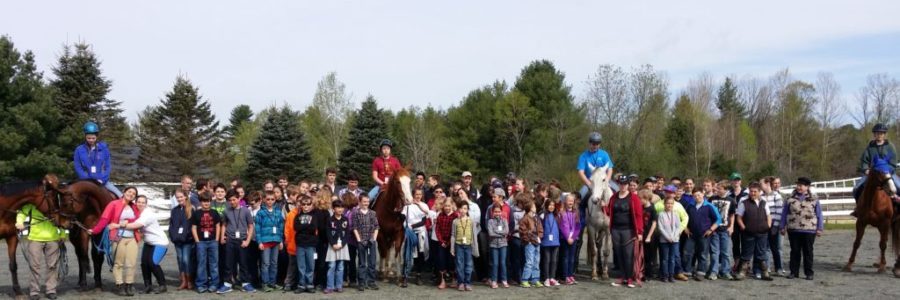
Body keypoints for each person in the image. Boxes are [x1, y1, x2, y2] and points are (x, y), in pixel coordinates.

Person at [89, 186, 141, 296]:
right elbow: (104, 219)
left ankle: (129, 285)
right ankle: (119, 285)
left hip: (132, 238)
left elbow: (137, 220)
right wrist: (94, 230)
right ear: (124, 192)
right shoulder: (113, 204)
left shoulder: (134, 207)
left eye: (133, 194)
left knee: (131, 263)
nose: (131, 194)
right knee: (118, 263)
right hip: (118, 238)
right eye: (129, 192)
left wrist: (122, 223)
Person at [115, 195, 168, 294]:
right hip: (148, 242)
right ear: (136, 202)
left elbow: (136, 225)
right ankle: (148, 286)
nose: (140, 204)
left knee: (153, 263)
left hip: (160, 242)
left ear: (146, 204)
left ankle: (162, 285)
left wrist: (117, 225)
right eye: (139, 202)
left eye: (143, 202)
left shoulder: (147, 214)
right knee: (144, 264)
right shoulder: (137, 213)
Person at [17, 202, 68, 300]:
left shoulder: (54, 205)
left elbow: (60, 220)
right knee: (34, 266)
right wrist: (19, 222)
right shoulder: (32, 205)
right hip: (35, 239)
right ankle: (34, 292)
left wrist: (62, 234)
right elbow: (22, 213)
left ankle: (51, 290)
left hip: (53, 239)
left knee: (52, 266)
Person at [780, 177, 823, 280]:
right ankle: (793, 272)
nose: (798, 187)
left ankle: (809, 273)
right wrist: (782, 226)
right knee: (794, 251)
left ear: (807, 187)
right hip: (793, 229)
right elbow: (784, 213)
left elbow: (819, 214)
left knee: (808, 251)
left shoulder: (814, 199)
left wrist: (820, 228)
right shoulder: (789, 198)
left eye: (801, 185)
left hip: (809, 229)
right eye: (798, 185)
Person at [606, 175, 644, 288]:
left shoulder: (634, 198)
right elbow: (609, 211)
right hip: (615, 229)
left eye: (625, 184)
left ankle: (630, 278)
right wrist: (604, 207)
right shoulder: (613, 197)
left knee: (628, 255)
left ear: (628, 185)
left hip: (629, 230)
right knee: (619, 254)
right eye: (621, 183)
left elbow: (638, 215)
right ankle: (622, 277)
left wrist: (640, 232)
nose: (623, 186)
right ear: (618, 184)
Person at [853, 123, 900, 212]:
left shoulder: (890, 146)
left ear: (884, 134)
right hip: (873, 173)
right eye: (877, 133)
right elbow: (864, 160)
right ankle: (858, 209)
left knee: (899, 186)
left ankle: (898, 209)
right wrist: (865, 169)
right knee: (856, 188)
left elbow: (893, 163)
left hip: (888, 173)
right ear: (874, 134)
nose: (879, 135)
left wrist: (885, 170)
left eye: (881, 133)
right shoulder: (870, 147)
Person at [218, 189, 256, 294]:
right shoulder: (226, 211)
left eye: (234, 199)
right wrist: (222, 237)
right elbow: (224, 225)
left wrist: (248, 240)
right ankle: (227, 284)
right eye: (230, 200)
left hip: (242, 240)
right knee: (228, 263)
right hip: (230, 240)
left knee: (243, 263)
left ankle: (245, 283)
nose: (232, 202)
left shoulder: (246, 211)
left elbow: (251, 226)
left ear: (239, 198)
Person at [735, 182, 773, 281]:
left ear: (759, 192)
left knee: (761, 253)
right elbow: (739, 217)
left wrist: (768, 225)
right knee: (746, 253)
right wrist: (743, 227)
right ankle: (742, 273)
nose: (752, 193)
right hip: (748, 233)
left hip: (762, 233)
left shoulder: (764, 202)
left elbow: (769, 215)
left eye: (755, 191)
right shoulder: (744, 203)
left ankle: (765, 273)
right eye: (751, 191)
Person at [73, 121, 123, 198]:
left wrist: (102, 179)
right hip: (85, 181)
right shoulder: (79, 150)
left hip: (102, 181)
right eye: (88, 138)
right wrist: (87, 179)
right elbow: (78, 167)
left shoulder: (104, 149)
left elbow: (108, 167)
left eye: (93, 138)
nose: (91, 140)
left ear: (97, 137)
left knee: (121, 197)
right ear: (85, 137)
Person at [683, 188, 720, 281]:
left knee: (703, 254)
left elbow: (718, 220)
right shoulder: (690, 206)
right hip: (691, 234)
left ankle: (701, 272)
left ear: (703, 194)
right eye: (695, 196)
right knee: (687, 252)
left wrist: (711, 229)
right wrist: (685, 228)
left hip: (704, 235)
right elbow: (683, 217)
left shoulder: (709, 206)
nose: (697, 197)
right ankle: (687, 270)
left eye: (699, 195)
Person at [401, 189, 433, 287]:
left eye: (420, 194)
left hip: (420, 232)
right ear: (413, 195)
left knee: (420, 254)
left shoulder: (424, 205)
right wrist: (407, 227)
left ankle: (418, 275)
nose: (418, 196)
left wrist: (413, 226)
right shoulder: (407, 206)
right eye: (416, 194)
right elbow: (402, 217)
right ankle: (405, 276)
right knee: (407, 253)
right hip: (409, 232)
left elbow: (423, 221)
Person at [255, 191, 284, 292]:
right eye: (268, 199)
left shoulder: (278, 212)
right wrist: (259, 242)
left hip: (275, 241)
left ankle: (272, 282)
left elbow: (281, 227)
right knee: (265, 264)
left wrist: (280, 241)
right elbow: (257, 229)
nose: (270, 201)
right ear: (263, 200)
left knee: (274, 263)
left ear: (275, 200)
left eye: (272, 199)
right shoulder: (260, 213)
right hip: (265, 242)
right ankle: (265, 283)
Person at [708, 181, 736, 280]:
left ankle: (725, 271)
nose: (717, 190)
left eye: (720, 188)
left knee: (726, 252)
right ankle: (714, 271)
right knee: (715, 252)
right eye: (717, 188)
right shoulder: (712, 199)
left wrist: (731, 226)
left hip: (725, 229)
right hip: (714, 230)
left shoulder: (731, 200)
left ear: (725, 189)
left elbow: (732, 215)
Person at [292, 196, 320, 294]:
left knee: (310, 265)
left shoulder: (314, 216)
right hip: (300, 244)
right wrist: (306, 226)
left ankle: (310, 284)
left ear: (312, 205)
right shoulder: (297, 216)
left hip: (311, 244)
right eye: (304, 204)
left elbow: (313, 228)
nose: (306, 206)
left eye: (308, 204)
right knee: (301, 266)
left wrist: (303, 227)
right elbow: (296, 227)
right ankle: (301, 285)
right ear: (301, 205)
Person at [168, 189, 195, 291]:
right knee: (180, 259)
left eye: (181, 197)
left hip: (187, 240)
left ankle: (189, 280)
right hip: (177, 240)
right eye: (177, 197)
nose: (179, 199)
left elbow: (192, 225)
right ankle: (183, 281)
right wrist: (172, 236)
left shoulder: (191, 209)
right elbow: (172, 225)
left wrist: (188, 236)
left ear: (185, 197)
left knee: (186, 260)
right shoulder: (174, 210)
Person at [352, 195, 379, 291]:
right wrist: (359, 240)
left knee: (372, 262)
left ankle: (371, 281)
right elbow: (354, 228)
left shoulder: (373, 213)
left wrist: (374, 239)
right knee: (362, 263)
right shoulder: (356, 213)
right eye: (364, 201)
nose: (366, 203)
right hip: (361, 241)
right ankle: (362, 282)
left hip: (371, 240)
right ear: (359, 202)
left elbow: (376, 227)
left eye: (367, 201)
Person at [761, 177, 786, 277]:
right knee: (765, 248)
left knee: (775, 248)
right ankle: (767, 267)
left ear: (767, 184)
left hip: (774, 225)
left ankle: (779, 268)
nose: (760, 186)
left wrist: (775, 225)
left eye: (761, 184)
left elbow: (779, 211)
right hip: (764, 226)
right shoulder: (761, 196)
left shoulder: (776, 196)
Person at [325, 200, 350, 294]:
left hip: (342, 246)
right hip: (333, 246)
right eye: (338, 207)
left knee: (341, 266)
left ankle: (339, 286)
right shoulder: (330, 220)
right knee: (331, 266)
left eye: (342, 207)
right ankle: (330, 286)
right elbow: (328, 233)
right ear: (333, 208)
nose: (340, 209)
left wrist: (342, 244)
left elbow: (347, 233)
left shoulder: (345, 219)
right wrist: (333, 244)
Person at [369, 139, 403, 207]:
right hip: (380, 186)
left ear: (390, 150)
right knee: (368, 197)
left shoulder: (395, 160)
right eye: (384, 148)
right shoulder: (377, 161)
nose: (386, 150)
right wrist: (382, 183)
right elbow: (375, 176)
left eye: (387, 148)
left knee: (404, 197)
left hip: (393, 186)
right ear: (381, 150)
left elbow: (400, 174)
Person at [450, 202, 476, 292]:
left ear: (467, 210)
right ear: (458, 209)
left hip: (468, 245)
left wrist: (475, 248)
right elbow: (453, 235)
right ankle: (460, 282)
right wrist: (452, 248)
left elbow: (474, 235)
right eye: (461, 208)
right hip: (458, 245)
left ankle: (467, 283)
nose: (463, 210)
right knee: (459, 264)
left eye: (465, 208)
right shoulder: (455, 221)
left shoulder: (471, 220)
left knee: (469, 264)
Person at [518, 202, 543, 288]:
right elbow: (522, 232)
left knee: (536, 261)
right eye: (534, 206)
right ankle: (525, 280)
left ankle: (535, 279)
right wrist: (528, 240)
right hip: (529, 243)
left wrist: (539, 237)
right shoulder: (525, 219)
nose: (535, 207)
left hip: (537, 242)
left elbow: (540, 229)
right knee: (529, 262)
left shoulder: (536, 218)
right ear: (529, 208)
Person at [657, 198, 682, 283]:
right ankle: (665, 275)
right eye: (668, 203)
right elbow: (660, 228)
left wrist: (674, 236)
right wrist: (668, 237)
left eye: (671, 204)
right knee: (665, 258)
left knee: (672, 258)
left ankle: (671, 275)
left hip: (675, 240)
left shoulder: (676, 214)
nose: (669, 205)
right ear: (664, 204)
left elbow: (678, 227)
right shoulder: (661, 214)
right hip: (664, 240)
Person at [435, 198, 458, 289]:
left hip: (451, 242)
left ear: (452, 206)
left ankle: (453, 279)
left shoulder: (455, 216)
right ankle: (443, 281)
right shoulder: (440, 215)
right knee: (441, 261)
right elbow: (437, 230)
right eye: (445, 206)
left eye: (449, 206)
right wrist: (441, 241)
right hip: (442, 242)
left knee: (452, 261)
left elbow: (455, 231)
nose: (447, 208)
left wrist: (449, 242)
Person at [559, 193, 581, 285]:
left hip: (573, 239)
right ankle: (565, 276)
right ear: (565, 201)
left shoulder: (576, 212)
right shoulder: (562, 213)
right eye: (569, 200)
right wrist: (567, 237)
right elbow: (562, 226)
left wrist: (573, 237)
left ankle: (570, 275)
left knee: (572, 258)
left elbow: (578, 226)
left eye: (572, 201)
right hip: (565, 239)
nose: (570, 202)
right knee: (565, 258)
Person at [637, 189, 659, 281]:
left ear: (646, 199)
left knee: (650, 256)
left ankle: (649, 274)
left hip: (650, 235)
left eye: (641, 199)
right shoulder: (640, 208)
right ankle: (641, 273)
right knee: (642, 255)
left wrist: (649, 236)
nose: (639, 200)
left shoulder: (652, 209)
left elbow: (654, 224)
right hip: (641, 234)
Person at [487, 205, 509, 289]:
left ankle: (504, 280)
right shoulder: (490, 221)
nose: (497, 213)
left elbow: (506, 231)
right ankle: (494, 280)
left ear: (501, 212)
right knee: (495, 263)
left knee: (503, 263)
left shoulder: (504, 220)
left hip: (503, 244)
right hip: (493, 245)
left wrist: (495, 231)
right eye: (495, 212)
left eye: (499, 211)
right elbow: (490, 233)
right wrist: (501, 233)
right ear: (492, 212)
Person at [540, 199, 561, 287]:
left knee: (554, 260)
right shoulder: (542, 215)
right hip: (546, 241)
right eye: (549, 205)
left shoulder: (557, 215)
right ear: (546, 206)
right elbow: (540, 227)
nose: (551, 207)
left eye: (553, 205)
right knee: (547, 260)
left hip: (555, 241)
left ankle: (552, 277)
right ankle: (546, 278)